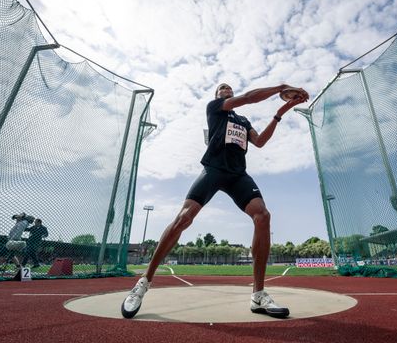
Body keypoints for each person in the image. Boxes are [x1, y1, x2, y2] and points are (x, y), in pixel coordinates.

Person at [121, 82, 308, 319]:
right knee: (183, 218)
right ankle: (143, 282)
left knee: (263, 216)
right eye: (222, 88)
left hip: (237, 175)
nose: (226, 89)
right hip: (213, 170)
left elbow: (259, 142)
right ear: (218, 95)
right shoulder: (215, 107)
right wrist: (281, 87)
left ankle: (258, 295)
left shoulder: (243, 121)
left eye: (229, 87)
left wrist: (281, 112)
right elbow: (249, 98)